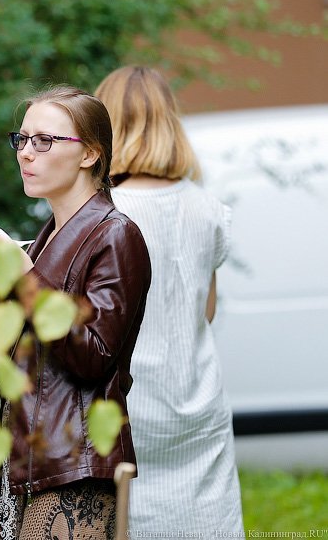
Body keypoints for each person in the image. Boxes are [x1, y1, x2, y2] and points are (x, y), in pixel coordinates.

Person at [0, 85, 151, 539]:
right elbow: (30, 350)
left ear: (89, 155)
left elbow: (92, 356)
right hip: (28, 454)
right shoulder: (48, 235)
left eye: (44, 140)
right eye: (21, 139)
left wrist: (22, 278)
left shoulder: (116, 235)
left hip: (74, 462)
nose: (26, 153)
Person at [95, 65, 244, 536]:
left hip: (126, 409)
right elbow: (207, 311)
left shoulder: (103, 212)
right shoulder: (209, 209)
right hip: (198, 404)